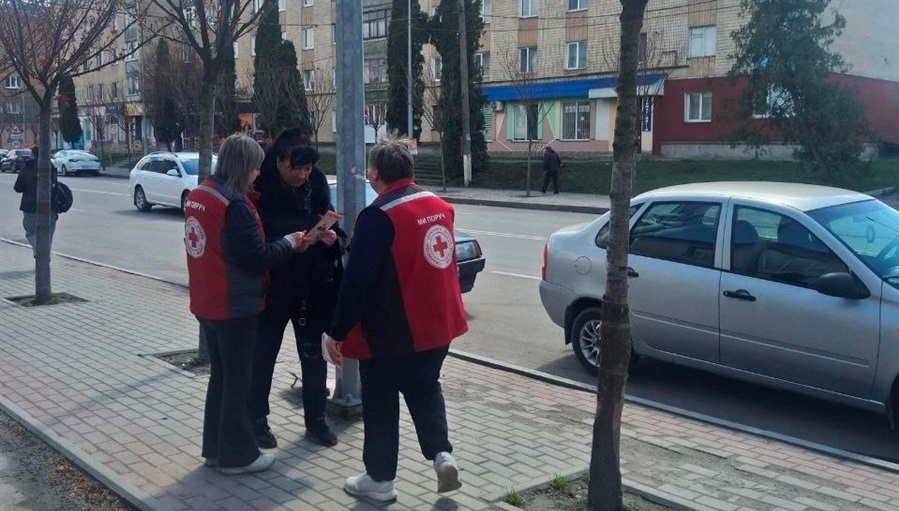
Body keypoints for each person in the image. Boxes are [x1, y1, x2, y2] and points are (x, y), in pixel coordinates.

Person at [323, 137, 468, 502]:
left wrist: (336, 331)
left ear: (374, 174)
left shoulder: (378, 216)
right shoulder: (439, 206)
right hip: (439, 326)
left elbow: (358, 282)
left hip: (393, 329)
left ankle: (380, 480)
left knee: (381, 403)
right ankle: (441, 455)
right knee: (425, 388)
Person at [184, 134, 310, 475]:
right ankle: (238, 456)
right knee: (238, 383)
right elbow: (256, 257)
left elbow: (235, 247)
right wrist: (288, 242)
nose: (258, 173)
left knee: (221, 379)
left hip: (207, 301)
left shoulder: (200, 194)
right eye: (256, 167)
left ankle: (215, 449)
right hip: (234, 305)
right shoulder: (234, 204)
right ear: (243, 166)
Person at [247, 131, 343, 449]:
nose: (302, 176)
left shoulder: (314, 183)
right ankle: (257, 420)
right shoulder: (261, 186)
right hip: (273, 286)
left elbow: (331, 226)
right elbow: (257, 235)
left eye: (307, 169)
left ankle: (316, 421)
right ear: (279, 162)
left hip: (310, 286)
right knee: (263, 356)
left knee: (313, 357)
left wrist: (331, 238)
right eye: (295, 169)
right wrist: (292, 240)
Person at [14, 146, 58, 255]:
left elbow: (18, 187)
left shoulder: (28, 167)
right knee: (48, 233)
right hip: (50, 205)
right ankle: (44, 255)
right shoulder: (50, 166)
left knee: (31, 231)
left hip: (30, 206)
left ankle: (39, 252)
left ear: (33, 155)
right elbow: (55, 184)